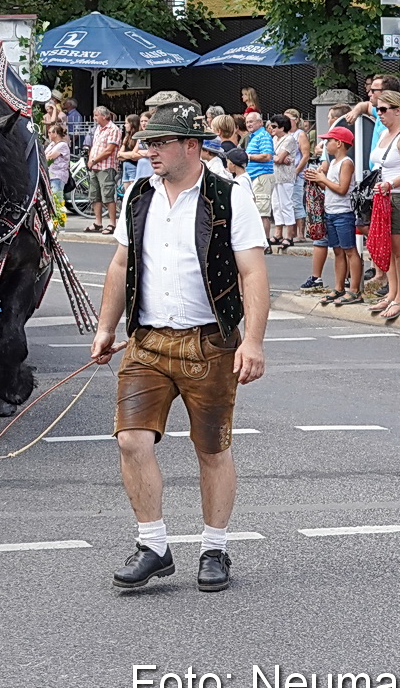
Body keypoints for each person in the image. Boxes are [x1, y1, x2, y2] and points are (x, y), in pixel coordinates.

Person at [90, 101, 268, 595]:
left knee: (211, 449)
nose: (149, 151)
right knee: (131, 439)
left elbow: (253, 272)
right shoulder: (138, 194)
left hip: (210, 341)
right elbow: (121, 264)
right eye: (148, 142)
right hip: (145, 341)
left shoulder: (229, 196)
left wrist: (251, 341)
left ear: (191, 146)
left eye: (158, 143)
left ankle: (215, 547)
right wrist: (107, 327)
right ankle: (153, 545)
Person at [369, 91, 400, 322]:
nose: (379, 114)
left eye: (383, 109)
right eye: (377, 109)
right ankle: (392, 292)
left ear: (398, 110)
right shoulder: (384, 135)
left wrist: (391, 184)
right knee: (386, 247)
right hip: (383, 195)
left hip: (399, 196)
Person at [307, 125, 359, 305]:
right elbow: (331, 187)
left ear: (339, 143)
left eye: (328, 140)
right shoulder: (335, 163)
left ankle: (354, 289)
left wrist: (322, 179)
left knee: (350, 250)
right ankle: (339, 287)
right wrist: (318, 179)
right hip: (331, 211)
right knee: (337, 251)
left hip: (343, 212)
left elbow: (342, 189)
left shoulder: (346, 163)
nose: (325, 144)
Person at [86, 106, 122, 233]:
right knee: (95, 195)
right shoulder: (98, 129)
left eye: (96, 116)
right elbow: (94, 146)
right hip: (95, 166)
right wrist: (90, 160)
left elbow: (109, 150)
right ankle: (98, 222)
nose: (94, 118)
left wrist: (94, 160)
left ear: (104, 116)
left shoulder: (113, 129)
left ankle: (112, 224)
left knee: (107, 195)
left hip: (106, 166)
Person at [268, 114, 301, 248]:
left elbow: (279, 158)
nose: (272, 128)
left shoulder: (289, 139)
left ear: (282, 127)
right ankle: (278, 233)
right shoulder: (274, 138)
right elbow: (276, 157)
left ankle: (289, 235)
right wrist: (276, 157)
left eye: (275, 126)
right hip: (275, 176)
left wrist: (274, 157)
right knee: (276, 204)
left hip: (285, 177)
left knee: (286, 204)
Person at [243, 112, 276, 246]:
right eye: (247, 122)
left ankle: (265, 241)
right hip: (255, 176)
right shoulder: (254, 136)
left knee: (262, 212)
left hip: (262, 176)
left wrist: (248, 156)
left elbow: (267, 156)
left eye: (252, 121)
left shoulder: (263, 136)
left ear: (260, 123)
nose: (249, 124)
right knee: (258, 211)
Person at [45, 123, 72, 215]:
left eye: (49, 132)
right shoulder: (52, 144)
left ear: (55, 133)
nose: (48, 134)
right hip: (50, 175)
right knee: (51, 199)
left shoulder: (62, 145)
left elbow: (49, 158)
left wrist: (47, 156)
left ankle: (60, 224)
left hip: (58, 175)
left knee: (57, 200)